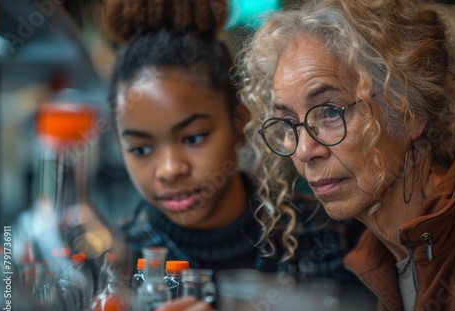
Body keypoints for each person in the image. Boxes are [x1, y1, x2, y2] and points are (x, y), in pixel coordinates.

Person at [156, 0, 455, 311]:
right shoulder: (374, 252)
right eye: (287, 122)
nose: (304, 151)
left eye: (331, 112)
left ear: (408, 111)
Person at [102, 0, 363, 293]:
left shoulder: (334, 235)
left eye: (192, 138)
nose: (170, 170)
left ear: (240, 122)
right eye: (140, 149)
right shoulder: (110, 263)